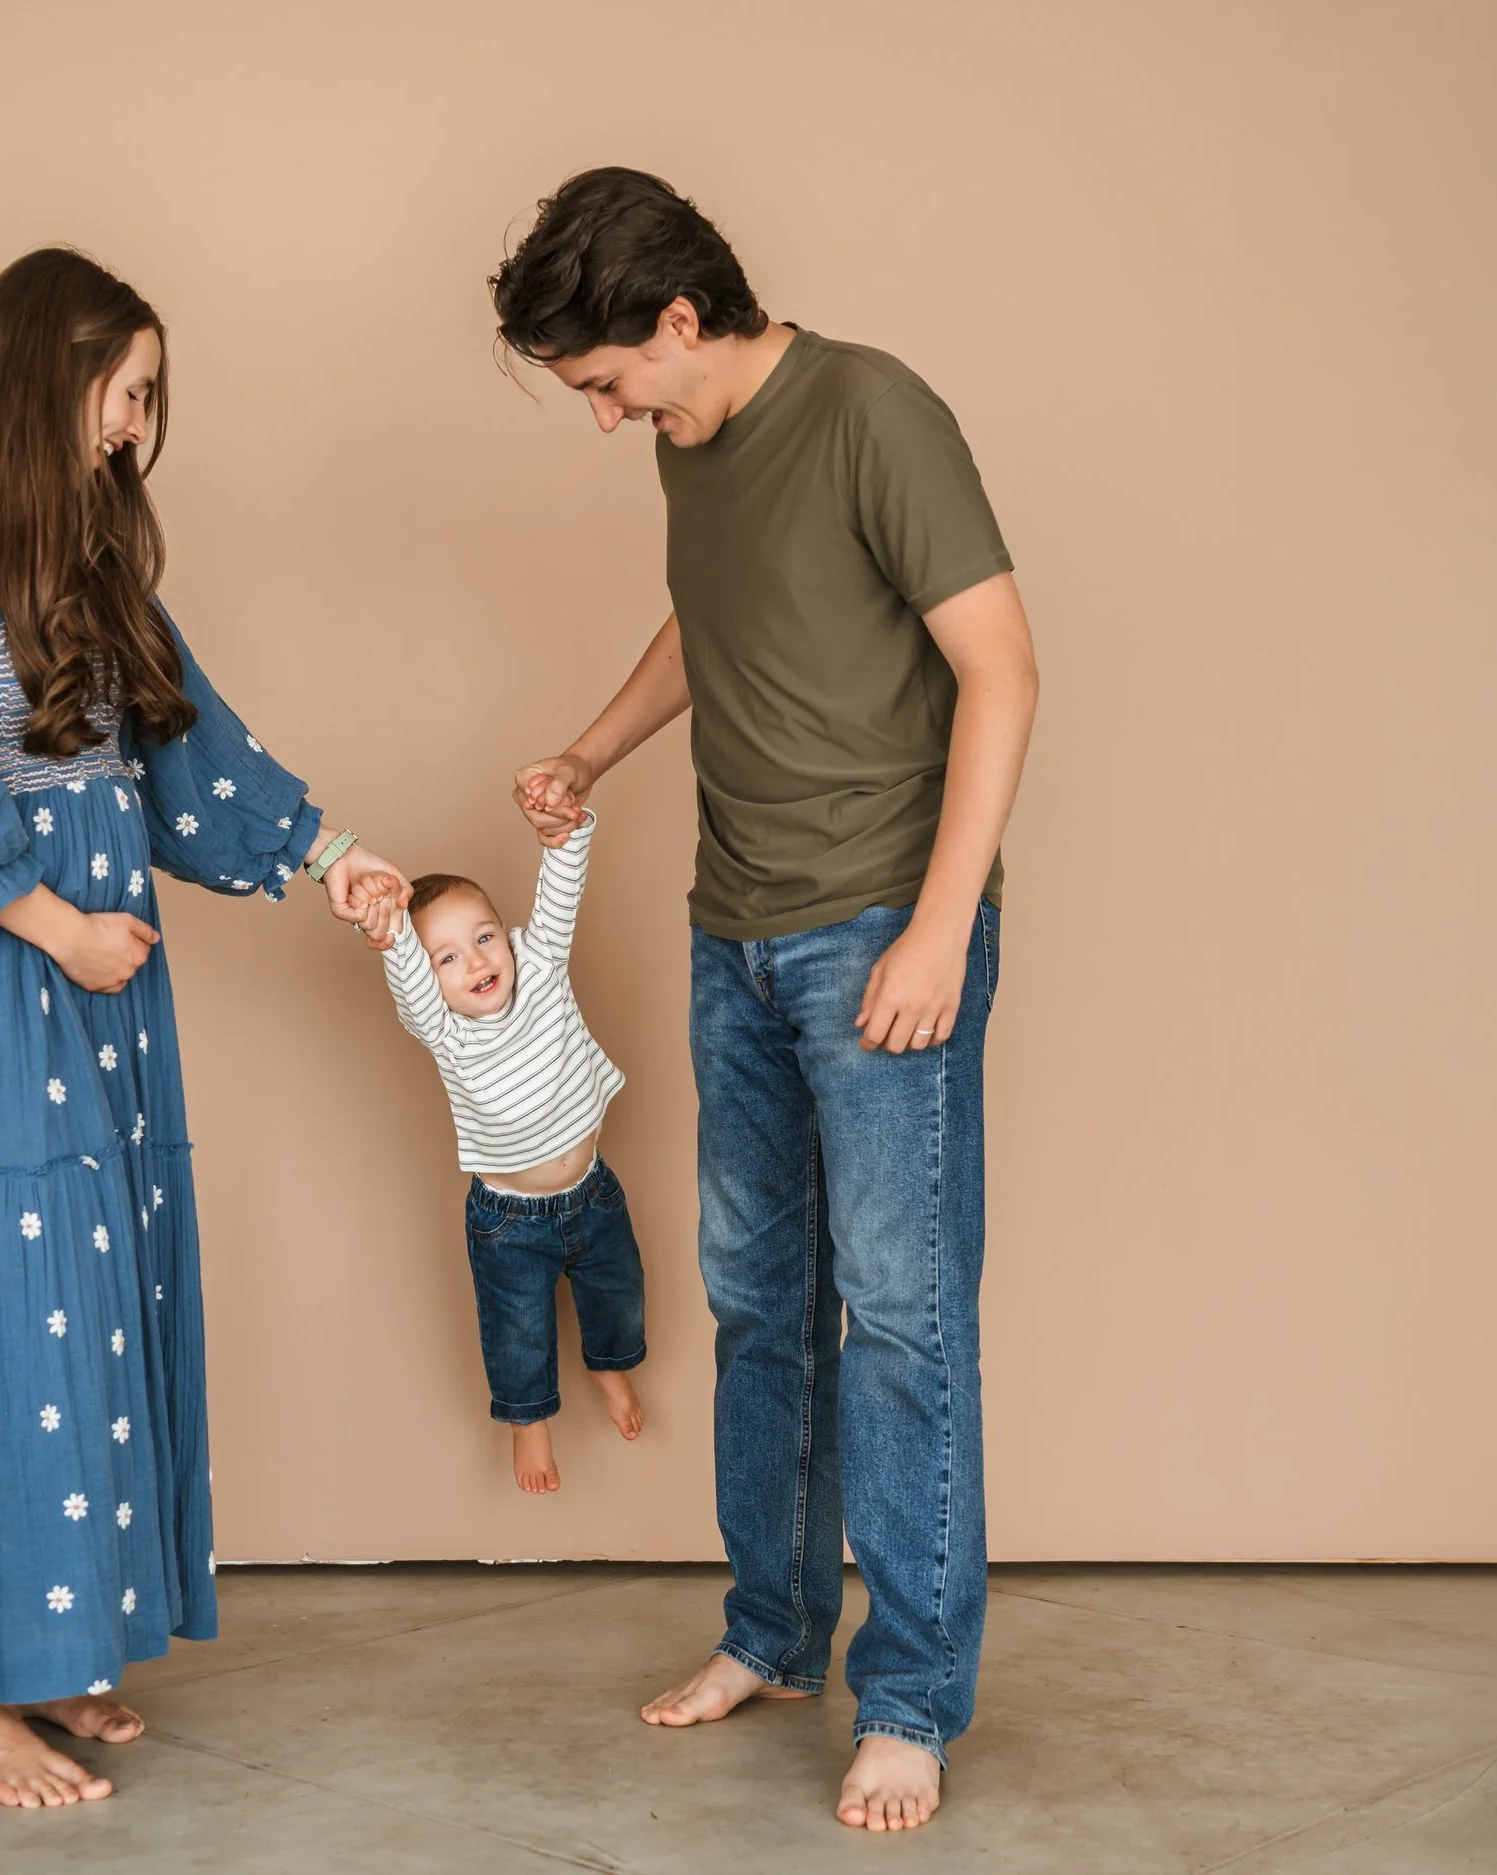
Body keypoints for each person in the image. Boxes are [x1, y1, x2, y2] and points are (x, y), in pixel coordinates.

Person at [0, 248, 403, 1808]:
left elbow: (187, 746)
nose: (135, 431)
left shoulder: (80, 554)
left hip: (99, 1008)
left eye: (148, 404)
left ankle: (47, 1646)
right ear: (46, 375)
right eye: (128, 395)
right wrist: (49, 921)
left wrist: (331, 858)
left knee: (70, 1313)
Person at [492, 168, 1040, 1833]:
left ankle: (914, 1701)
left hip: (880, 928)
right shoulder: (690, 441)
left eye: (604, 383)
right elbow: (712, 622)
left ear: (679, 319)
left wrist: (940, 930)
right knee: (759, 1302)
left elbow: (1004, 667)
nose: (604, 421)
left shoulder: (875, 412)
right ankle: (774, 1633)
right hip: (733, 931)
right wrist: (592, 746)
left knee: (901, 1318)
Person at [361, 811, 645, 1494]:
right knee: (518, 1331)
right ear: (432, 983)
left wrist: (567, 832)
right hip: (508, 1223)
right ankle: (529, 1424)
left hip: (593, 1192)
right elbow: (409, 976)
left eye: (485, 937)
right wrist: (394, 930)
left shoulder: (541, 968)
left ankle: (609, 1366)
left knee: (620, 1293)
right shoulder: (444, 1030)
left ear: (510, 937)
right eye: (448, 957)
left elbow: (560, 893)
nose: (478, 960)